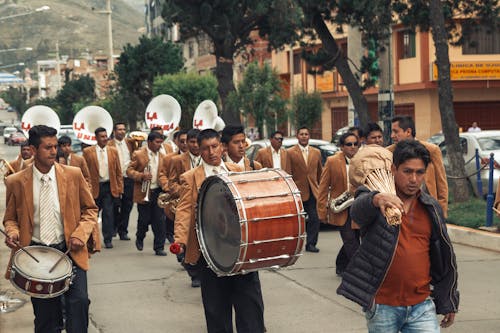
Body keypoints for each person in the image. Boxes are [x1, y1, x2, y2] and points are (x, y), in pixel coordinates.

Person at [337, 140, 459, 332]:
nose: (413, 179)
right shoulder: (377, 201)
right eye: (407, 171)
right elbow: (357, 212)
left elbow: (444, 258)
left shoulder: (430, 208)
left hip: (422, 306)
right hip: (383, 307)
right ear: (393, 169)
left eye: (419, 172)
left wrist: (449, 300)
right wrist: (377, 199)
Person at [3, 125, 98, 333]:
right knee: (46, 318)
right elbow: (10, 219)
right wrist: (13, 232)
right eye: (48, 147)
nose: (54, 151)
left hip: (70, 251)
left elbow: (90, 209)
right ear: (34, 150)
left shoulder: (73, 175)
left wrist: (80, 234)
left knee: (79, 303)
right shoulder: (16, 181)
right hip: (36, 257)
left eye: (55, 147)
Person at [174, 129, 265, 332]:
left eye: (214, 146)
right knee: (217, 312)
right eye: (205, 148)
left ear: (222, 147)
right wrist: (180, 241)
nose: (211, 152)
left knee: (251, 309)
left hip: (242, 250)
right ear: (199, 150)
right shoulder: (190, 178)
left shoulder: (237, 171)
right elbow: (183, 211)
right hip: (211, 254)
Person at [317, 132, 360, 275]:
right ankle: (357, 273)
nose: (353, 147)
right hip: (341, 209)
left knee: (355, 239)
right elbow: (323, 188)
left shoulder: (364, 160)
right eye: (349, 144)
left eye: (355, 144)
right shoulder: (332, 161)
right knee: (351, 241)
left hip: (359, 207)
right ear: (342, 147)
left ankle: (341, 264)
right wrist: (322, 211)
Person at [389, 116, 448, 217]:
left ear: (408, 132)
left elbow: (441, 183)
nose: (392, 136)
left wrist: (441, 211)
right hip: (398, 209)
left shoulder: (432, 150)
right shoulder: (388, 152)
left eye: (396, 132)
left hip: (427, 207)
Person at [127, 131, 167, 256]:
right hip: (144, 191)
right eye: (157, 142)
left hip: (158, 191)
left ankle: (159, 247)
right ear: (149, 142)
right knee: (144, 220)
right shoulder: (138, 154)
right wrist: (141, 176)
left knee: (159, 221)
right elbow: (129, 170)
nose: (159, 145)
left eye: (161, 142)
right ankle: (140, 237)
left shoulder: (164, 155)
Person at [83, 127, 123, 249]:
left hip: (108, 187)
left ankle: (108, 238)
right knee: (92, 215)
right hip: (94, 188)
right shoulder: (87, 152)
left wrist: (120, 188)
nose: (105, 139)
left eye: (106, 136)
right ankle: (91, 239)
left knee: (108, 214)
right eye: (102, 136)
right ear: (96, 138)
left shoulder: (113, 151)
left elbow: (118, 171)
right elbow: (84, 171)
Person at [286, 126, 322, 252]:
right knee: (296, 221)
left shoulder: (316, 152)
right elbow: (287, 173)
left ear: (309, 136)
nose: (304, 136)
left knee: (314, 218)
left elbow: (319, 173)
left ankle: (311, 244)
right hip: (298, 191)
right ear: (297, 136)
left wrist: (320, 189)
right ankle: (292, 245)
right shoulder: (290, 152)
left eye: (306, 134)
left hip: (313, 191)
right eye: (301, 134)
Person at [107, 123, 135, 241]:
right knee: (115, 204)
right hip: (115, 178)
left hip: (128, 177)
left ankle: (123, 231)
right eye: (119, 129)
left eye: (124, 129)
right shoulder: (109, 144)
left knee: (127, 205)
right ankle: (113, 227)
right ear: (114, 131)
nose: (122, 132)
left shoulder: (130, 143)